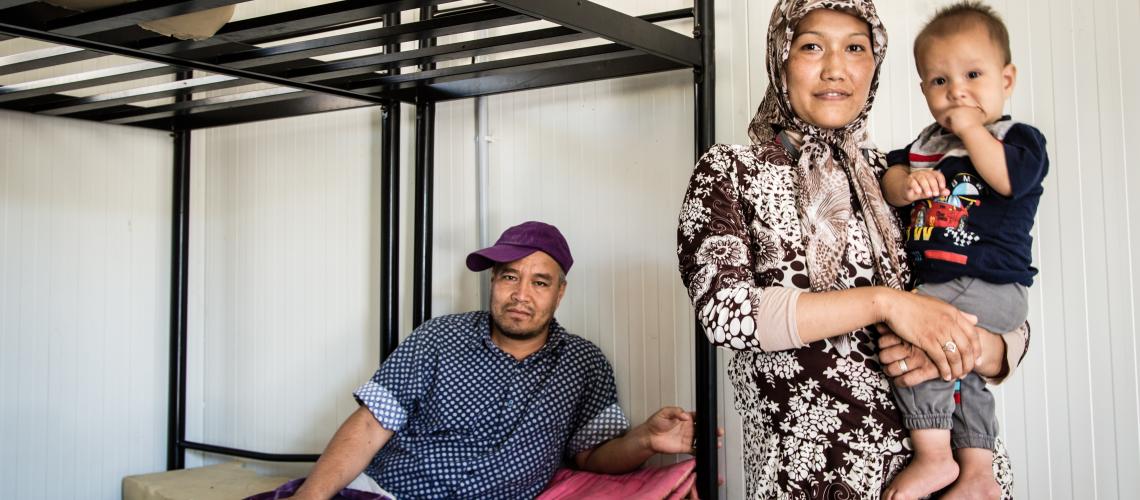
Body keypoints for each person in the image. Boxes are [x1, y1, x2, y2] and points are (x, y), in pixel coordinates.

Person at [675, 0, 1029, 497]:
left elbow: (1001, 310)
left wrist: (962, 350)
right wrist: (889, 304)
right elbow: (725, 313)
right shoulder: (731, 172)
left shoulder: (901, 176)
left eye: (856, 48)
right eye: (812, 46)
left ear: (875, 65)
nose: (835, 68)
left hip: (956, 481)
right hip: (813, 480)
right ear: (781, 58)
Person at [294, 221, 709, 500]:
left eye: (539, 282)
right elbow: (370, 424)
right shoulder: (439, 337)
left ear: (559, 293)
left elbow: (591, 456)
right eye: (509, 276)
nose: (520, 295)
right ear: (494, 281)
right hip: (391, 492)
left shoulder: (583, 363)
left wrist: (646, 440)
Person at [878, 3, 1048, 499]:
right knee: (964, 373)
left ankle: (933, 455)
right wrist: (906, 184)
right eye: (938, 81)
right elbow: (889, 174)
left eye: (973, 74)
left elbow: (1007, 179)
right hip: (952, 283)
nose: (956, 91)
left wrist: (972, 130)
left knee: (918, 337)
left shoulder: (1017, 140)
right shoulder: (927, 143)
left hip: (990, 282)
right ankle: (977, 471)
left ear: (1006, 78)